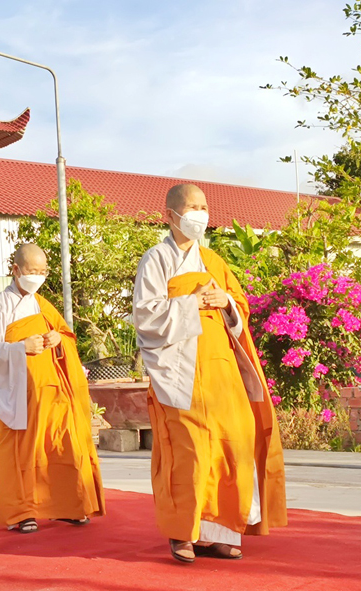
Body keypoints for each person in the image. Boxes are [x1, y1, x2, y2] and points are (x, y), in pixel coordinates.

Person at [133, 183, 287, 563]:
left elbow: (240, 310)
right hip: (179, 371)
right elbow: (146, 316)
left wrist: (227, 302)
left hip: (221, 370)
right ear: (170, 215)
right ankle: (183, 532)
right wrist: (193, 302)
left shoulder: (214, 261)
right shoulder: (156, 259)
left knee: (233, 443)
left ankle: (220, 532)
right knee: (190, 450)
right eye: (192, 207)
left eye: (204, 207)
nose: (200, 214)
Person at [0, 243, 106, 534]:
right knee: (21, 453)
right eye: (32, 270)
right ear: (16, 270)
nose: (38, 276)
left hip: (53, 394)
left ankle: (66, 506)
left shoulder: (43, 304)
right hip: (20, 396)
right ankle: (22, 512)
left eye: (42, 271)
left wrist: (58, 340)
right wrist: (19, 347)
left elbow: (66, 335)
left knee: (60, 447)